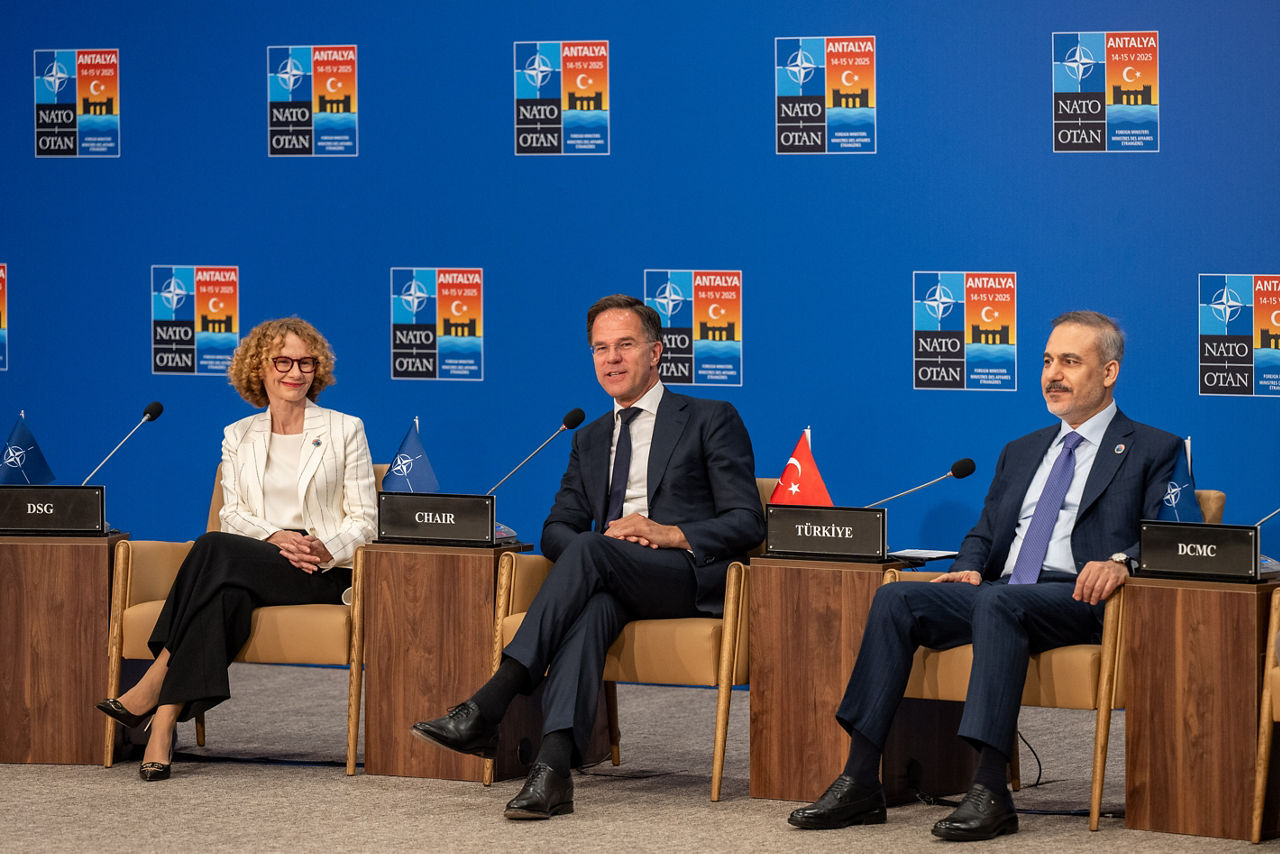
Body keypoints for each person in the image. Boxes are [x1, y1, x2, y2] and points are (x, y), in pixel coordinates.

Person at [788, 310, 1183, 840]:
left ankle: (990, 789)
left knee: (1001, 603)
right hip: (1006, 592)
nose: (1053, 374)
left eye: (1070, 362)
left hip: (1081, 598)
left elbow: (1176, 535)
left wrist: (1120, 562)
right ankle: (860, 780)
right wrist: (969, 568)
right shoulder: (1020, 451)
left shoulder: (1154, 448)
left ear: (1109, 373)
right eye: (1047, 361)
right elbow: (984, 533)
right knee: (897, 600)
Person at [411, 294, 765, 819]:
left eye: (625, 345)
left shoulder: (709, 417)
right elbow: (556, 527)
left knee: (594, 552)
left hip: (686, 578)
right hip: (610, 576)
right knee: (592, 604)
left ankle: (492, 700)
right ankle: (552, 772)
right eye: (600, 348)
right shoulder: (591, 437)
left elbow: (746, 520)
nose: (612, 359)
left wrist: (665, 533)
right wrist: (592, 551)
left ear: (656, 353)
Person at [95, 318, 377, 781]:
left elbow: (365, 521)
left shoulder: (346, 429)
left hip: (323, 570)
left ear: (317, 370)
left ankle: (153, 681)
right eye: (282, 361)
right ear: (259, 369)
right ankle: (163, 724)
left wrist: (321, 547)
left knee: (211, 550)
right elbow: (233, 515)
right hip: (257, 563)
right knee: (222, 592)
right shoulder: (238, 434)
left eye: (305, 362)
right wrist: (273, 537)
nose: (295, 372)